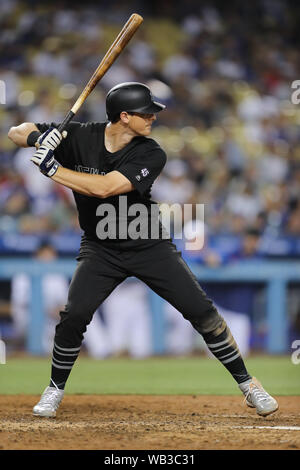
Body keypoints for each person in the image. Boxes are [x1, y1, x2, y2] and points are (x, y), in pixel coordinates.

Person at [8, 82, 278, 418]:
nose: (152, 117)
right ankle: (54, 388)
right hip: (100, 246)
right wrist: (38, 138)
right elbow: (15, 132)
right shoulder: (79, 135)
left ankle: (249, 385)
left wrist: (54, 170)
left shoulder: (151, 152)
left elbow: (108, 188)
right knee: (74, 315)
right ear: (123, 116)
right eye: (146, 112)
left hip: (147, 242)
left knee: (201, 311)